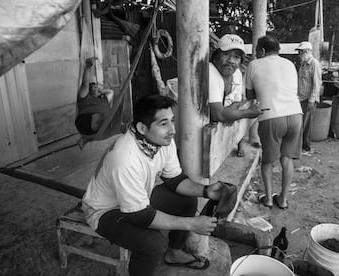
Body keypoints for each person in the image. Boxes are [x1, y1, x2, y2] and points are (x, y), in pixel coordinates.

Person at [81, 95, 224, 276]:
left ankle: (174, 253)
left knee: (187, 200)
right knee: (153, 244)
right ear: (142, 127)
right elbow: (138, 216)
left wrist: (206, 191)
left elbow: (174, 180)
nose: (172, 130)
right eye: (163, 123)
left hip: (137, 200)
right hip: (105, 211)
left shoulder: (162, 141)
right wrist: (191, 224)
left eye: (172, 121)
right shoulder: (125, 158)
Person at [245, 35, 303, 209]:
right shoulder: (290, 64)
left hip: (271, 116)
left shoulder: (254, 65)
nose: (255, 55)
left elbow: (249, 96)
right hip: (295, 114)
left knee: (268, 161)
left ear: (262, 50)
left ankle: (269, 199)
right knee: (287, 159)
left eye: (256, 51)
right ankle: (283, 200)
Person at [208, 34, 263, 156]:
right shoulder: (209, 71)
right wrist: (248, 113)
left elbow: (236, 105)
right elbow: (218, 114)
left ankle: (240, 142)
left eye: (236, 57)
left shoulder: (236, 74)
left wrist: (230, 114)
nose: (231, 61)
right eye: (226, 54)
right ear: (215, 55)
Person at [75, 57, 114, 135]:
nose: (96, 88)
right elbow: (85, 84)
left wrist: (101, 92)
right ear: (89, 90)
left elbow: (111, 92)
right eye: (93, 87)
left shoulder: (102, 100)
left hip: (93, 125)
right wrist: (88, 66)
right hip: (89, 124)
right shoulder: (85, 99)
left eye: (96, 87)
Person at [296, 41, 322, 152]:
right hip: (301, 97)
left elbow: (317, 84)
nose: (299, 54)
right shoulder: (303, 64)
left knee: (306, 124)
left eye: (301, 52)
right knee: (301, 122)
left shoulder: (314, 64)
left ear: (307, 51)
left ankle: (306, 146)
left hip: (308, 98)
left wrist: (312, 100)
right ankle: (300, 144)